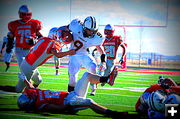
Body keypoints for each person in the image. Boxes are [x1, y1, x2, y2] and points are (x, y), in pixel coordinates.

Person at [17, 66, 126, 118]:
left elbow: (31, 87)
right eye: (29, 95)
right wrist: (75, 103)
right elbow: (60, 108)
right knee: (88, 101)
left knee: (86, 75)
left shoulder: (34, 95)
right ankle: (112, 113)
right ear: (30, 102)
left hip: (70, 95)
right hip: (69, 102)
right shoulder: (40, 105)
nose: (29, 92)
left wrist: (24, 79)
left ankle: (107, 79)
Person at [0, 27, 75, 93]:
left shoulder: (44, 39)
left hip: (29, 63)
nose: (60, 37)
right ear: (54, 35)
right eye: (60, 35)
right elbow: (58, 55)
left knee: (38, 81)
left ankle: (28, 93)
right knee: (18, 89)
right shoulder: (52, 43)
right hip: (29, 66)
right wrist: (69, 52)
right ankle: (27, 94)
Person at [65, 16, 106, 96]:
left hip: (85, 54)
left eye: (93, 31)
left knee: (93, 67)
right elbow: (65, 29)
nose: (91, 33)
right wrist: (63, 36)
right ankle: (70, 97)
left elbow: (100, 49)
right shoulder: (76, 25)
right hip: (73, 55)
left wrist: (103, 62)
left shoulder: (98, 37)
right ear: (83, 27)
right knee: (72, 80)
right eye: (89, 30)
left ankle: (93, 86)